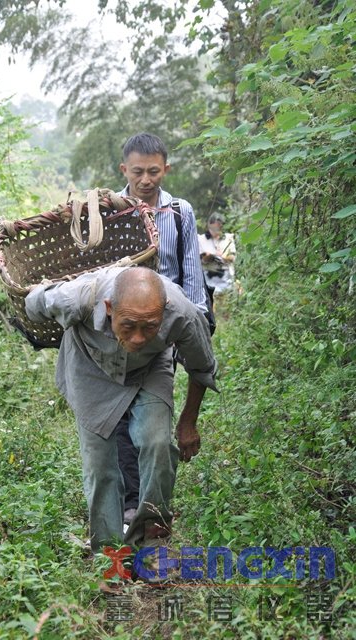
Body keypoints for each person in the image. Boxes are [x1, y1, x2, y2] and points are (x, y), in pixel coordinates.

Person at [25, 266, 217, 552]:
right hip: (90, 368)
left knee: (157, 444)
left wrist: (188, 421)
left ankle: (154, 541)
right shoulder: (77, 298)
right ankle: (109, 554)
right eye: (128, 326)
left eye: (150, 327)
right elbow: (33, 303)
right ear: (110, 308)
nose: (138, 338)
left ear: (163, 313)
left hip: (149, 369)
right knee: (100, 465)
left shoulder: (183, 313)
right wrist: (36, 295)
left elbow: (201, 368)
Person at [117, 132, 209, 525]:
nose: (146, 180)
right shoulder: (111, 209)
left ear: (165, 169)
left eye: (154, 171)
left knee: (156, 409)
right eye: (138, 171)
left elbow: (191, 268)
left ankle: (153, 504)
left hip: (166, 324)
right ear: (124, 170)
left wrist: (197, 319)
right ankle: (133, 501)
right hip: (121, 324)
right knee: (119, 414)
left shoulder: (179, 212)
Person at [198, 212, 236, 306]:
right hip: (208, 275)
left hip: (225, 275)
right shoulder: (200, 239)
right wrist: (207, 257)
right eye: (216, 225)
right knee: (210, 303)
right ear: (210, 225)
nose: (218, 227)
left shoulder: (228, 238)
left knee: (226, 304)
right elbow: (199, 259)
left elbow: (232, 257)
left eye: (220, 225)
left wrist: (221, 257)